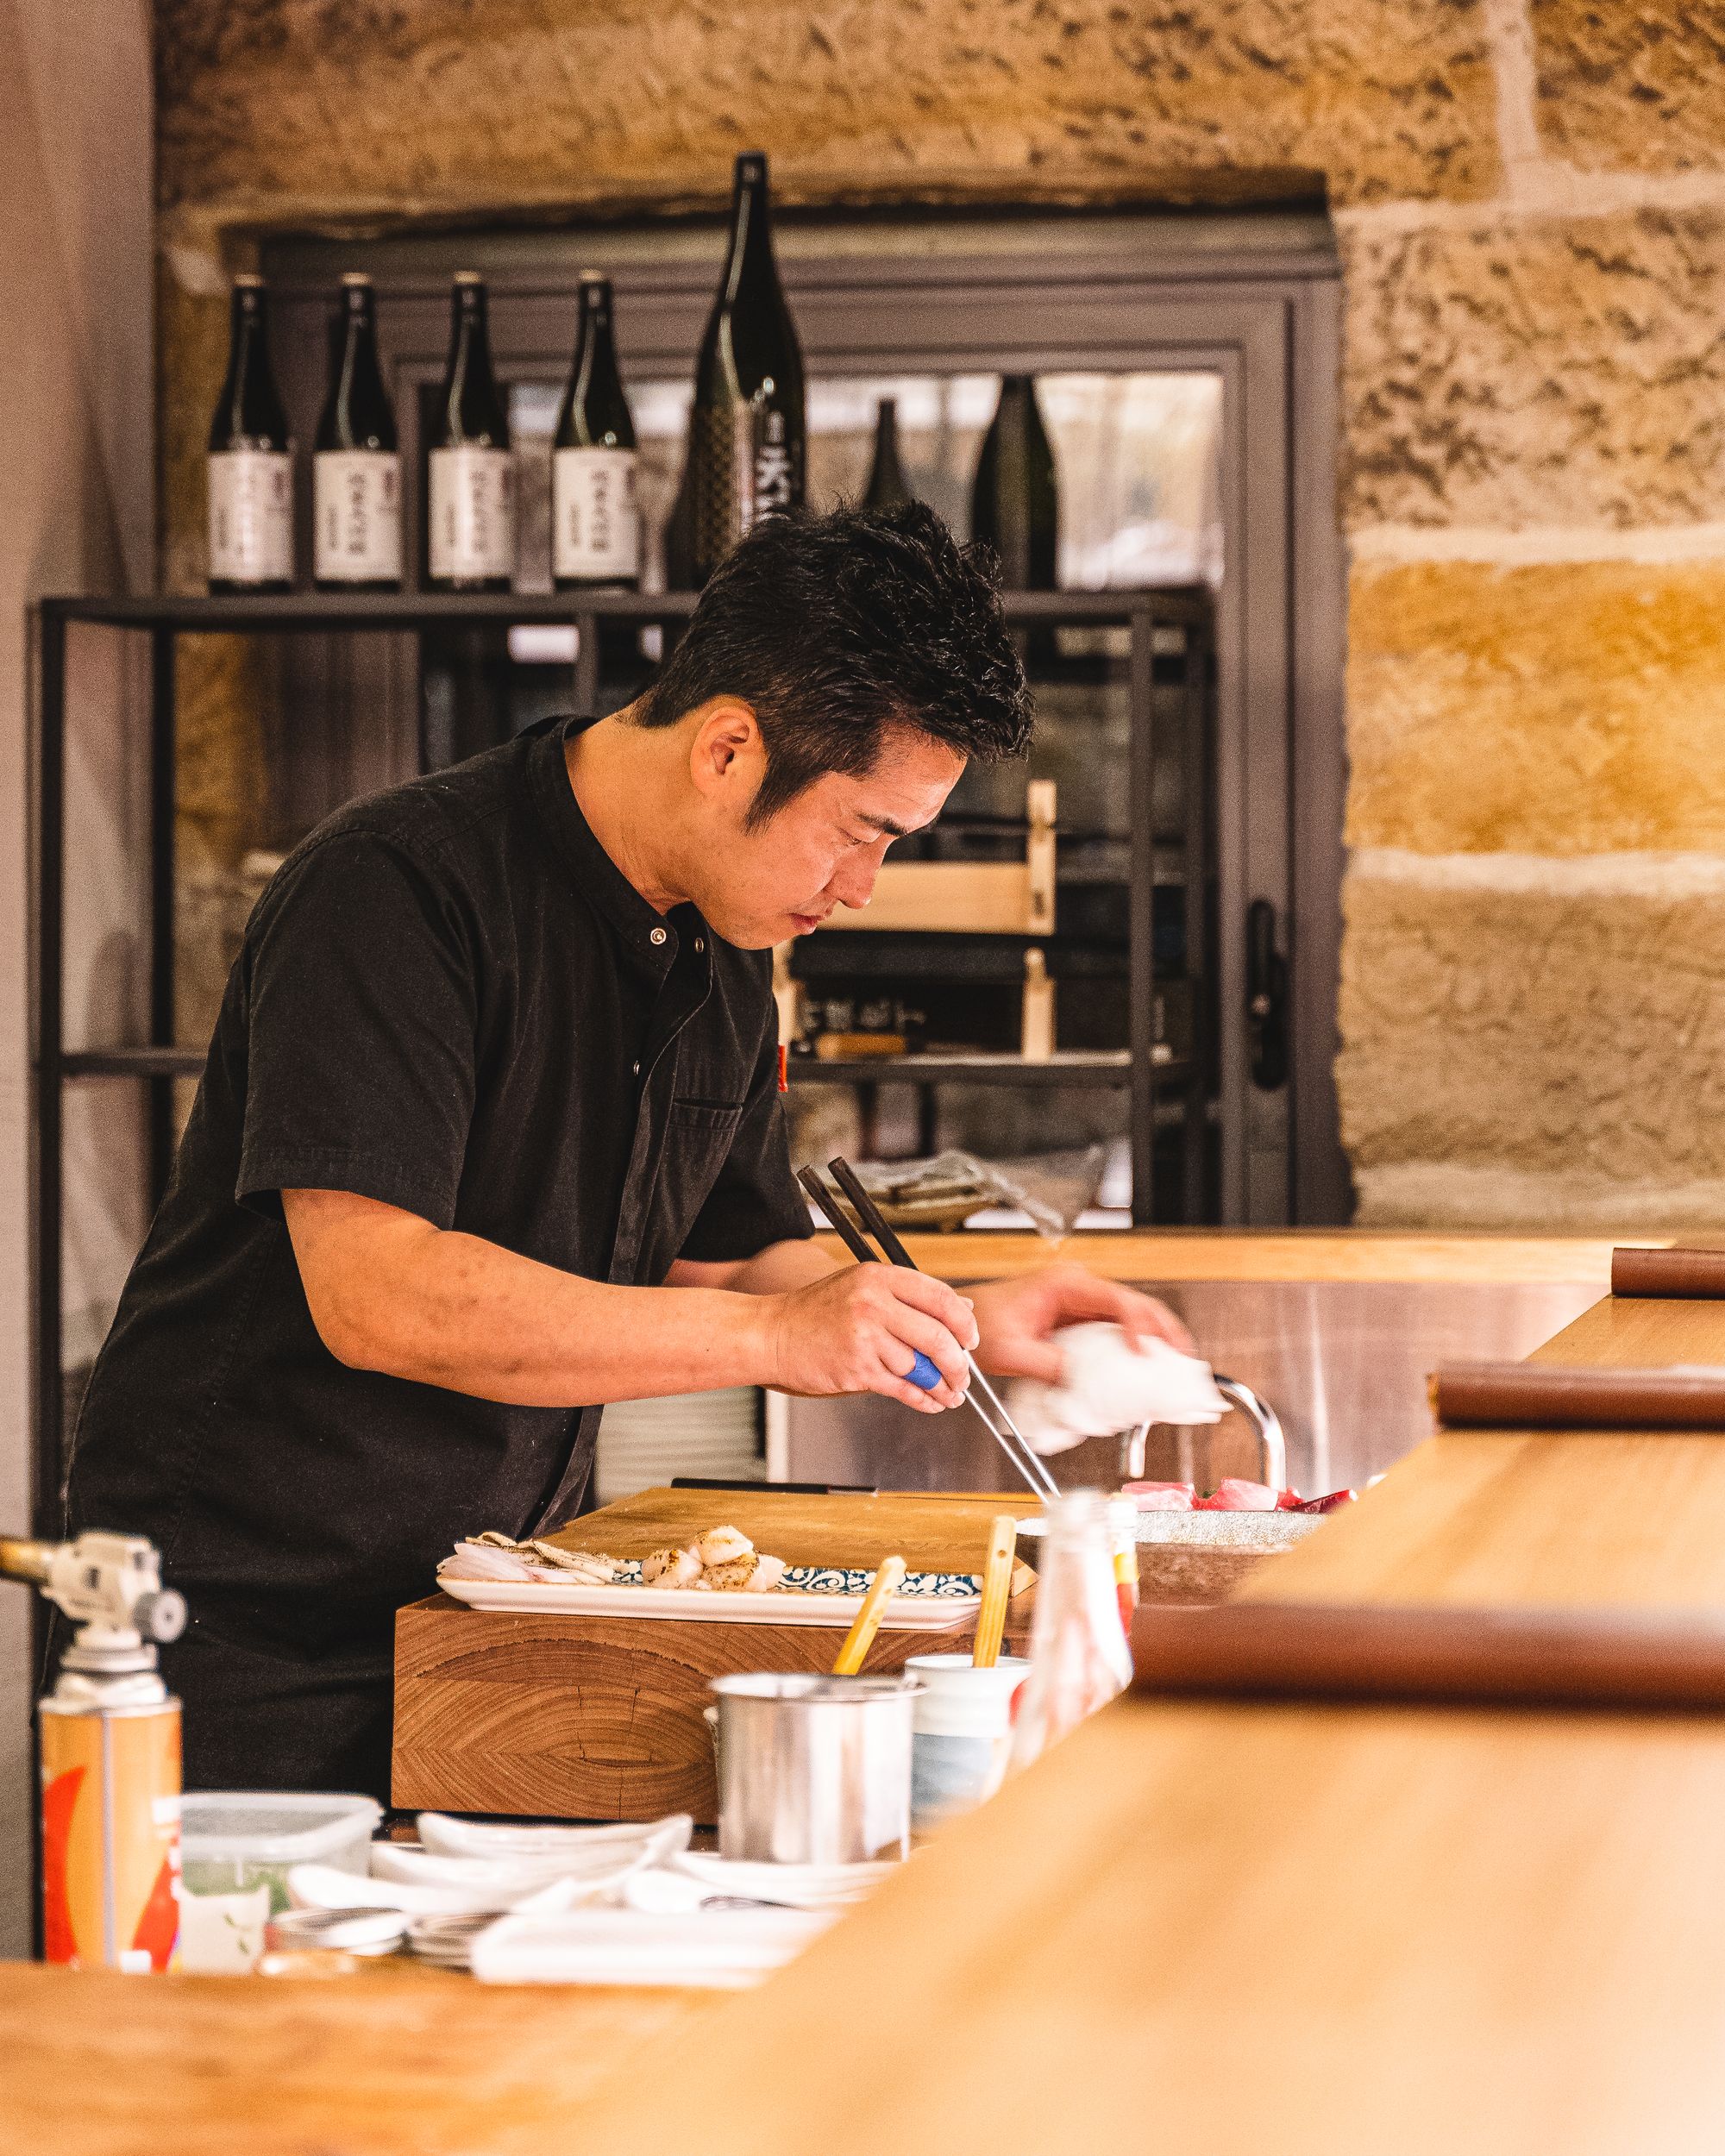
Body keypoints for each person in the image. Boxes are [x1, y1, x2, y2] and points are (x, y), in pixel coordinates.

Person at [64, 502, 1189, 1799]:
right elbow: (376, 1296)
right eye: (861, 830)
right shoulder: (396, 889)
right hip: (239, 1625)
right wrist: (779, 1345)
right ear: (727, 749)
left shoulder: (723, 966)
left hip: (488, 1605)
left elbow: (725, 1265)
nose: (865, 886)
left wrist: (959, 1326)